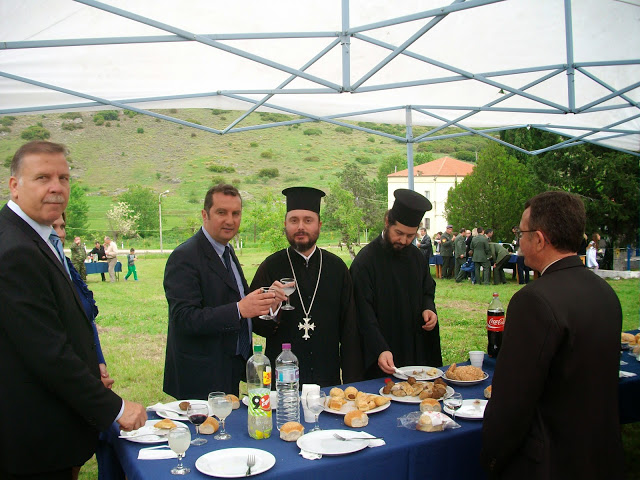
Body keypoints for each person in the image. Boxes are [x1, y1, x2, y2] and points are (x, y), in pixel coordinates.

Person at [0, 140, 146, 479]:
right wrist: (116, 408)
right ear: (14, 185)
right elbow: (46, 352)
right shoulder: (15, 249)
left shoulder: (38, 238)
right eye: (42, 178)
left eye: (64, 178)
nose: (56, 187)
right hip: (32, 439)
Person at [481, 191, 623, 479]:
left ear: (540, 239)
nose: (519, 242)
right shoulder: (605, 292)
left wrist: (492, 458)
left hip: (549, 463)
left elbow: (513, 401)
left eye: (521, 233)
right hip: (597, 455)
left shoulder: (533, 300)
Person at [163, 183, 281, 398]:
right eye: (221, 212)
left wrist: (268, 304)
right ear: (204, 215)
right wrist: (238, 309)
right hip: (200, 376)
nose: (230, 220)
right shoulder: (184, 257)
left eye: (236, 213)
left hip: (230, 369)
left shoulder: (227, 251)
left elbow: (240, 304)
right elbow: (184, 318)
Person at [251, 187, 363, 387]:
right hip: (283, 381)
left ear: (319, 225)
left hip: (328, 377)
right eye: (294, 220)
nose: (300, 226)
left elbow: (350, 330)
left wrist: (352, 384)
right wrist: (273, 308)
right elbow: (256, 326)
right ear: (285, 224)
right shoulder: (270, 266)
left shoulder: (337, 268)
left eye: (308, 220)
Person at [350, 189, 441, 379]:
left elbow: (427, 290)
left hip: (415, 348)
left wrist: (428, 308)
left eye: (410, 236)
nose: (403, 240)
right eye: (399, 233)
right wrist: (379, 348)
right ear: (387, 223)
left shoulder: (416, 257)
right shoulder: (365, 262)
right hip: (382, 354)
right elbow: (363, 313)